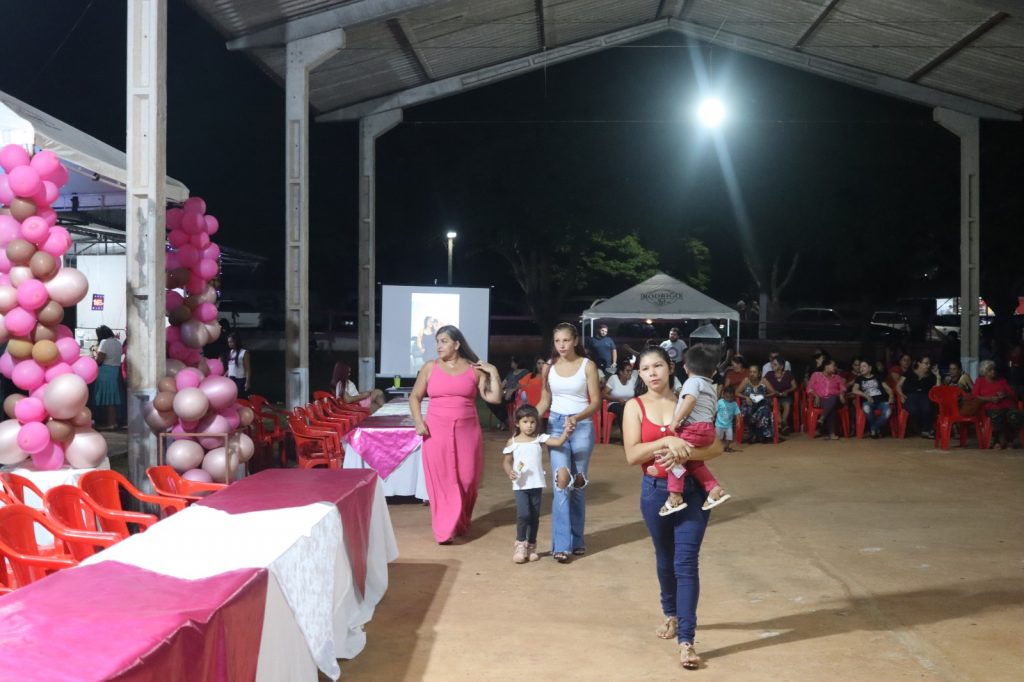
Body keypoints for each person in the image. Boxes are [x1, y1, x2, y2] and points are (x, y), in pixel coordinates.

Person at [621, 345, 724, 670]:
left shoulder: (690, 397)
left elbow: (716, 446)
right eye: (646, 369)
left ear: (671, 368)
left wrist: (686, 454)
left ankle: (687, 641)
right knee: (665, 559)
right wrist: (667, 441)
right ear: (640, 374)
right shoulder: (634, 407)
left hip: (692, 493)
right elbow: (633, 455)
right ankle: (671, 614)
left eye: (658, 367)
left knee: (685, 562)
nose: (652, 373)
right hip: (655, 492)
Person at [409, 325, 502, 544]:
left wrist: (494, 373)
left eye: (443, 341)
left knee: (468, 479)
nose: (438, 346)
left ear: (457, 344)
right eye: (437, 341)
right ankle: (444, 530)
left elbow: (494, 398)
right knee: (442, 480)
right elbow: (415, 397)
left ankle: (460, 520)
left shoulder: (474, 369)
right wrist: (418, 422)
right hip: (435, 432)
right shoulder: (430, 367)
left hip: (467, 433)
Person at [536, 323, 601, 563]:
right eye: (557, 341)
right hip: (556, 425)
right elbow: (545, 400)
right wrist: (529, 418)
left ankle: (577, 540)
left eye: (565, 340)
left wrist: (577, 417)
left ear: (575, 341)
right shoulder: (549, 368)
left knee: (578, 483)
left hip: (582, 426)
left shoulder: (588, 366)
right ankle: (561, 545)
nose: (561, 345)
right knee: (561, 481)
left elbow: (595, 401)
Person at [655, 345, 730, 516]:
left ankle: (674, 496)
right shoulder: (710, 387)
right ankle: (714, 489)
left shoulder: (692, 382)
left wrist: (676, 420)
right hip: (707, 429)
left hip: (693, 428)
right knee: (695, 463)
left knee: (675, 456)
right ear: (712, 372)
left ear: (686, 367)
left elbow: (689, 400)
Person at [502, 404, 575, 564]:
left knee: (534, 517)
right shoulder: (512, 442)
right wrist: (510, 473)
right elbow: (507, 462)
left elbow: (557, 442)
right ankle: (520, 544)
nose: (529, 425)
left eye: (532, 422)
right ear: (517, 423)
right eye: (525, 422)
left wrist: (566, 433)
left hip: (536, 484)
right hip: (520, 486)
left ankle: (532, 546)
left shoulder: (539, 439)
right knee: (523, 515)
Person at [973, 360, 1023, 449]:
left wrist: (1005, 394)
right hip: (991, 407)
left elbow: (1012, 393)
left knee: (1016, 415)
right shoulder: (980, 381)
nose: (993, 372)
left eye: (993, 370)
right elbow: (975, 396)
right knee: (997, 415)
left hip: (1007, 406)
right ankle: (997, 440)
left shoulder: (1002, 381)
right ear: (984, 372)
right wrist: (989, 398)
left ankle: (1010, 440)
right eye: (990, 370)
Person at [896, 357, 939, 438]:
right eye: (926, 363)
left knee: (927, 408)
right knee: (914, 410)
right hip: (910, 396)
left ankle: (926, 430)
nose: (928, 365)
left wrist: (937, 376)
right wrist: (901, 395)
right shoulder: (909, 373)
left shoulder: (931, 376)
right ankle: (922, 428)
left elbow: (937, 389)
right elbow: (898, 385)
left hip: (925, 397)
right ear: (919, 363)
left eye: (929, 363)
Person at [852, 360, 894, 438]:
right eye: (860, 367)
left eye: (864, 366)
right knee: (866, 408)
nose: (861, 368)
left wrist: (891, 396)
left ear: (870, 368)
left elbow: (888, 389)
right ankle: (876, 430)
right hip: (868, 402)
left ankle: (873, 428)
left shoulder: (878, 377)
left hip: (881, 401)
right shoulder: (859, 379)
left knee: (888, 412)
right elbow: (854, 390)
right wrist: (866, 396)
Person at [807, 358, 846, 440]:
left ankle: (822, 419)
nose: (835, 367)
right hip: (820, 400)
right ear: (826, 366)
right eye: (833, 365)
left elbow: (842, 388)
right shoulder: (816, 375)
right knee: (831, 408)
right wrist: (816, 396)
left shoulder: (837, 377)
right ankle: (831, 433)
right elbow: (809, 388)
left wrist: (842, 395)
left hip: (836, 400)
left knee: (833, 398)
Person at [92, 326, 123, 430]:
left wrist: (94, 358)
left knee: (106, 399)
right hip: (114, 372)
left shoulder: (104, 342)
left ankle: (109, 423)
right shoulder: (117, 342)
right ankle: (113, 422)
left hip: (104, 372)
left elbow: (100, 359)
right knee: (111, 398)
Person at [737, 364, 775, 443]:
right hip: (749, 404)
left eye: (754, 372)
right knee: (746, 410)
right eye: (750, 372)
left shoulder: (764, 381)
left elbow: (773, 392)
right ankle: (753, 434)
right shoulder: (746, 381)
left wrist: (764, 396)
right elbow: (737, 392)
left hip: (761, 404)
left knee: (765, 410)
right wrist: (746, 397)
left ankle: (762, 435)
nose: (752, 374)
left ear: (759, 373)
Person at [764, 356, 796, 433]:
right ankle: (783, 424)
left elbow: (794, 386)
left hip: (785, 395)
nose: (772, 366)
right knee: (775, 404)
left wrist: (787, 391)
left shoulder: (788, 374)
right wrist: (774, 392)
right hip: (774, 396)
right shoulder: (769, 374)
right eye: (772, 364)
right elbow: (763, 385)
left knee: (787, 404)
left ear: (781, 366)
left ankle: (782, 424)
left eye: (775, 364)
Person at [602, 358, 638, 423]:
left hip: (628, 405)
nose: (630, 373)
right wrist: (617, 400)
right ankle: (625, 431)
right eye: (627, 371)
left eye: (631, 371)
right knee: (622, 411)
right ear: (621, 372)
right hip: (614, 404)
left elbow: (636, 394)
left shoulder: (633, 379)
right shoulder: (613, 378)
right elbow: (603, 394)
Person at [716, 385, 742, 452]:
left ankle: (726, 447)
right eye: (727, 397)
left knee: (729, 437)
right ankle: (719, 447)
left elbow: (737, 413)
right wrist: (712, 417)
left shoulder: (734, 404)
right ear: (723, 395)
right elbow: (715, 411)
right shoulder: (720, 402)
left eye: (731, 397)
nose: (729, 399)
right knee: (719, 437)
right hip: (719, 424)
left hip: (728, 425)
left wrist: (738, 421)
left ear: (733, 396)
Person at [225, 333, 250, 399]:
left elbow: (247, 369)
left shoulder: (244, 352)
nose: (229, 344)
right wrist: (225, 375)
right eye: (228, 342)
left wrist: (247, 382)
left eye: (231, 342)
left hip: (240, 379)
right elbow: (231, 366)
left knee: (239, 397)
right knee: (231, 397)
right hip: (231, 378)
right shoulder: (231, 352)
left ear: (236, 341)